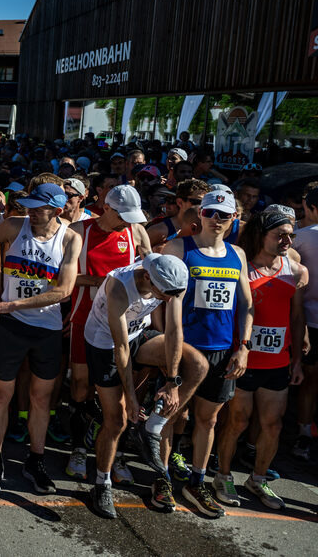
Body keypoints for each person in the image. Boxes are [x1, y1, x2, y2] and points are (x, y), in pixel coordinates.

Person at [82, 254, 205, 518]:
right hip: (105, 343)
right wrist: (131, 400)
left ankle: (154, 426)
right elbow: (122, 349)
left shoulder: (171, 280)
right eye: (166, 293)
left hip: (139, 333)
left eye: (175, 294)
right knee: (117, 421)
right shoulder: (119, 287)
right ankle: (102, 484)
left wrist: (172, 382)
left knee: (198, 365)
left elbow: (174, 331)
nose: (171, 298)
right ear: (147, 277)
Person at [160, 189, 254, 518]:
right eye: (210, 213)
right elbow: (161, 303)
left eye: (223, 215)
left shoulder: (237, 255)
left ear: (233, 220)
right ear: (199, 214)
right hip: (185, 349)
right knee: (171, 416)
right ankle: (162, 478)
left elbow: (246, 306)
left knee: (208, 419)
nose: (216, 220)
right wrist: (166, 344)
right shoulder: (178, 248)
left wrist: (243, 348)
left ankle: (197, 481)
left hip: (222, 351)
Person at [0, 183, 82, 495]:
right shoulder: (14, 225)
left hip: (45, 328)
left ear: (56, 210)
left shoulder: (69, 238)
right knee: (1, 396)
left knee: (41, 399)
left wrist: (14, 303)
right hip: (11, 326)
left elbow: (63, 290)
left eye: (38, 208)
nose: (30, 212)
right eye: (28, 205)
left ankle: (35, 461)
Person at [213, 211, 306, 510]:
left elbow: (296, 314)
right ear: (261, 234)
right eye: (280, 234)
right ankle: (223, 475)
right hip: (244, 360)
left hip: (278, 361)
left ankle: (258, 478)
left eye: (290, 235)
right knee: (237, 421)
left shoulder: (294, 270)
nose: (287, 240)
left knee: (274, 424)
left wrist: (297, 360)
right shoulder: (242, 266)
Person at [65, 185, 152, 482]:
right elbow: (63, 278)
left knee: (120, 394)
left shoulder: (136, 232)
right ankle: (78, 447)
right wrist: (106, 282)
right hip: (84, 317)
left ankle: (117, 453)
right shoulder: (78, 230)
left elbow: (152, 271)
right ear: (107, 207)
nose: (128, 222)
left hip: (126, 322)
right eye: (123, 215)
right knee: (80, 385)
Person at [293, 186, 318, 461]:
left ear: (310, 209)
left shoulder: (299, 238)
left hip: (308, 319)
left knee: (308, 380)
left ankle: (303, 433)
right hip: (308, 320)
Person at [146, 178, 209, 249]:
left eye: (206, 203)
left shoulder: (208, 230)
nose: (202, 206)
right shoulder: (159, 230)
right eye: (198, 202)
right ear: (180, 202)